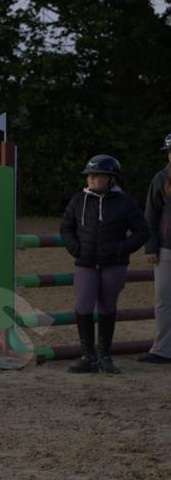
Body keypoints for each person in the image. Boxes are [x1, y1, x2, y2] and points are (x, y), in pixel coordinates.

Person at [59, 154, 150, 374]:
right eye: (89, 175)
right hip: (85, 263)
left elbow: (142, 231)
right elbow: (66, 227)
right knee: (83, 305)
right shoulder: (78, 200)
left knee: (107, 308)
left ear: (111, 178)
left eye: (97, 175)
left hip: (113, 264)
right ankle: (87, 357)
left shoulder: (125, 202)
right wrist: (75, 248)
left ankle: (105, 356)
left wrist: (120, 249)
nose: (91, 178)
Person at [139, 132, 171, 365]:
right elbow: (151, 214)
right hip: (167, 249)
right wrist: (150, 247)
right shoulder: (161, 179)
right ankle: (163, 349)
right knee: (164, 300)